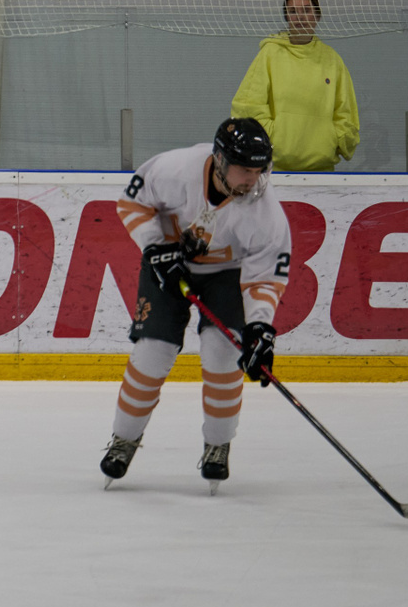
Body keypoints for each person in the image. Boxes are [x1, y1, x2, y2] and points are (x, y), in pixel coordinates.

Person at [99, 118, 291, 490]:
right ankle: (124, 439)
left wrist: (259, 328)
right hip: (167, 263)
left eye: (259, 171)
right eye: (245, 170)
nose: (253, 180)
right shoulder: (175, 170)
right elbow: (131, 201)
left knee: (223, 354)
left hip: (227, 275)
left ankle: (218, 445)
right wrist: (155, 247)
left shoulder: (266, 214)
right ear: (220, 160)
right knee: (153, 352)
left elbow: (265, 277)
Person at [230, 0, 360, 172]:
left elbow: (346, 113)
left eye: (306, 10)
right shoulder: (270, 54)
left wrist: (332, 140)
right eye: (293, 11)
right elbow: (247, 106)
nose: (300, 17)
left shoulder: (332, 60)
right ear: (287, 17)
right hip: (274, 172)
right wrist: (273, 138)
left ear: (317, 15)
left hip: (322, 171)